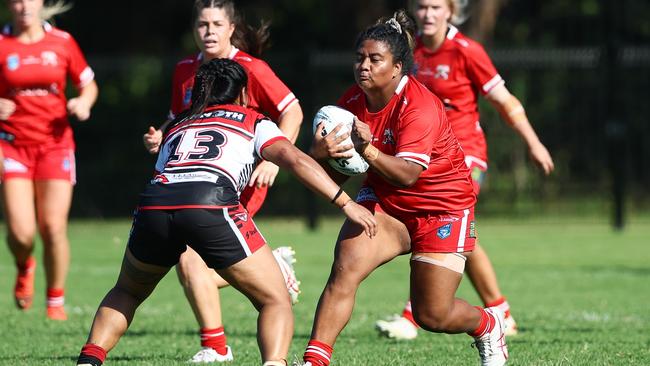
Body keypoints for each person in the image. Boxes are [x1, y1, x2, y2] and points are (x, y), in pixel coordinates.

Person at [75, 58, 377, 366]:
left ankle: (89, 360)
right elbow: (295, 161)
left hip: (155, 203)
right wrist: (346, 202)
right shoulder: (253, 119)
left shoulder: (178, 124)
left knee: (127, 290)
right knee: (274, 299)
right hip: (209, 201)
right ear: (244, 94)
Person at [296, 11, 508, 366]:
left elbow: (408, 174)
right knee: (345, 268)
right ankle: (314, 361)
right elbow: (332, 178)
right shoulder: (350, 103)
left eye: (374, 59)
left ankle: (488, 324)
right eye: (359, 58)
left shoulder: (420, 105)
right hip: (387, 203)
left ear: (397, 68)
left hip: (442, 207)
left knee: (432, 315)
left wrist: (367, 149)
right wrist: (318, 156)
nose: (363, 66)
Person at [375, 0, 554, 340]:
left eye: (436, 7)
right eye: (422, 7)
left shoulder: (466, 51)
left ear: (451, 12)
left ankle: (412, 316)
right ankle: (500, 312)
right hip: (426, 160)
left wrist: (533, 142)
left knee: (444, 225)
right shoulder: (410, 54)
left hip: (465, 157)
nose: (428, 14)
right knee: (458, 237)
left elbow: (505, 100)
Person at [142, 1, 304, 362]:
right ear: (194, 29)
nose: (209, 31)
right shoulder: (185, 69)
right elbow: (180, 119)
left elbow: (292, 110)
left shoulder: (251, 68)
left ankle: (215, 347)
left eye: (217, 23)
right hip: (202, 178)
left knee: (190, 262)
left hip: (238, 180)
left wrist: (273, 159)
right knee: (192, 263)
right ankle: (269, 270)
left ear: (232, 28)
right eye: (202, 24)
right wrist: (161, 138)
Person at [0, 0, 98, 321]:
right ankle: (24, 264)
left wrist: (83, 102)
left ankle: (55, 300)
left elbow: (88, 85)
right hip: (12, 147)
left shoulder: (62, 42)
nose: (24, 5)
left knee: (53, 227)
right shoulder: (2, 44)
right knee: (21, 233)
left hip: (55, 146)